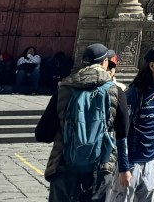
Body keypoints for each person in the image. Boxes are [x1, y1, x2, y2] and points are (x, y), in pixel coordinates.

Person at [36, 43, 127, 202]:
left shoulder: (64, 89)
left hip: (64, 166)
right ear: (105, 62)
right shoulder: (115, 91)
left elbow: (42, 134)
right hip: (100, 169)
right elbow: (124, 131)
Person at [112, 45, 154, 202]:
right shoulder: (134, 93)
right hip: (132, 161)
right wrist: (124, 167)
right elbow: (122, 131)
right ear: (152, 66)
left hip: (152, 160)